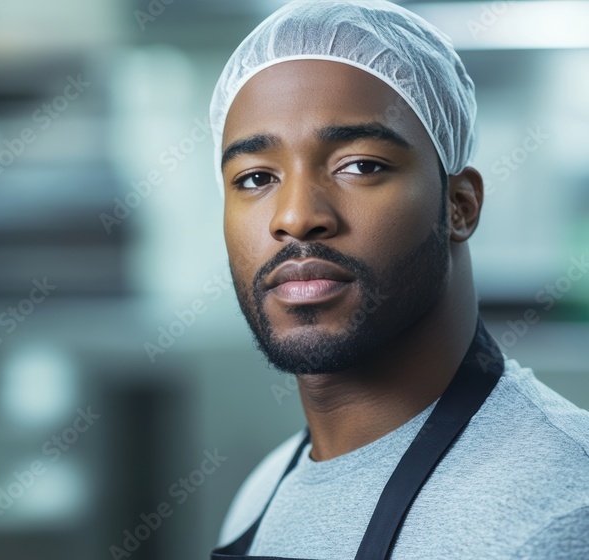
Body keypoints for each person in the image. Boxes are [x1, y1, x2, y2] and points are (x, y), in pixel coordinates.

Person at [207, 1, 589, 559]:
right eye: (256, 177)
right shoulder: (265, 490)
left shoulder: (559, 513)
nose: (294, 216)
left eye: (360, 165)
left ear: (460, 206)